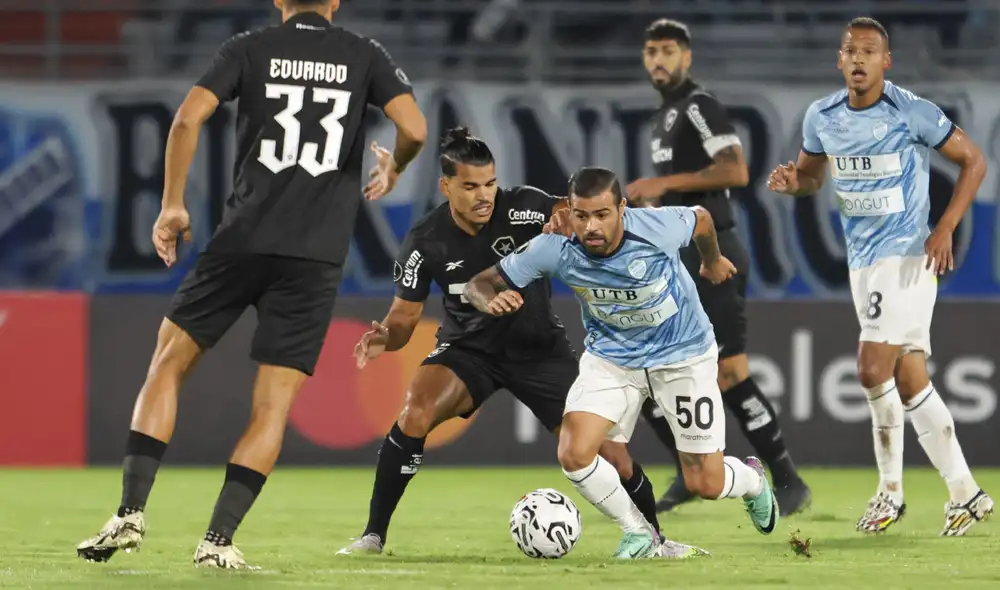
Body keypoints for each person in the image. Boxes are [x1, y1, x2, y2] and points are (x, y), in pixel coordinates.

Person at [76, 0, 427, 568]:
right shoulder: (366, 56)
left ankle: (129, 514)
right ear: (335, 2)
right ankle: (217, 543)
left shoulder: (249, 47)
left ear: (279, 1)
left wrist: (171, 207)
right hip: (314, 260)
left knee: (167, 363)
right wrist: (396, 166)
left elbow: (187, 118)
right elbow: (413, 128)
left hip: (242, 239)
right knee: (272, 407)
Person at [337, 128, 664, 556]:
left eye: (489, 183)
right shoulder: (425, 240)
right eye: (470, 186)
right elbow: (403, 319)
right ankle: (373, 536)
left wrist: (568, 217)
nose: (483, 195)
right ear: (446, 186)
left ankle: (656, 539)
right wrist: (387, 336)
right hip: (469, 352)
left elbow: (576, 211)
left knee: (611, 455)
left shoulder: (525, 208)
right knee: (414, 411)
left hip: (540, 350)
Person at [464, 166, 779, 559]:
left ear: (622, 209)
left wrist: (711, 261)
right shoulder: (555, 246)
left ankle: (751, 480)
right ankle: (639, 533)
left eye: (602, 214)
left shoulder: (655, 228)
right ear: (570, 211)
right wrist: (489, 300)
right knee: (574, 452)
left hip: (681, 356)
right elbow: (480, 283)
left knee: (706, 483)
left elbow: (701, 217)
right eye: (581, 215)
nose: (591, 226)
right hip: (612, 359)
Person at [767, 17, 992, 536]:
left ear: (886, 61)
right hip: (862, 261)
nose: (860, 59)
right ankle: (965, 492)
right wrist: (792, 183)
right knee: (910, 379)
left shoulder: (909, 111)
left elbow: (975, 161)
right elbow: (812, 177)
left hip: (908, 255)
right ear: (840, 61)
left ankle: (890, 493)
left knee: (871, 370)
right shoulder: (821, 116)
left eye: (870, 51)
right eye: (852, 51)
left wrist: (945, 227)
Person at [626, 18, 811, 515]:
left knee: (729, 372)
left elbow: (735, 168)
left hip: (716, 252)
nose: (657, 60)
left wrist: (662, 187)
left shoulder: (697, 105)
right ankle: (689, 471)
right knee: (646, 375)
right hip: (677, 257)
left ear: (686, 56)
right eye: (650, 52)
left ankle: (788, 479)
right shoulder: (665, 117)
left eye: (667, 50)